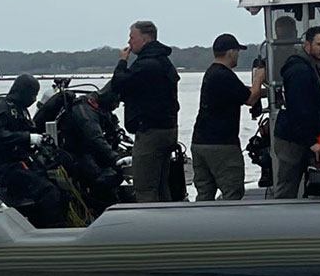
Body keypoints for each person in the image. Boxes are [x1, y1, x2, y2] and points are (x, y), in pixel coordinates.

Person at [0, 74, 67, 228]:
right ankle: (54, 232)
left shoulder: (20, 110)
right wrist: (28, 138)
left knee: (60, 187)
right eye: (32, 94)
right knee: (48, 192)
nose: (34, 99)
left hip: (21, 162)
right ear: (22, 91)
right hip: (3, 166)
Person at [110, 20, 179, 202]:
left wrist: (122, 62)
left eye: (132, 37)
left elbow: (118, 84)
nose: (129, 41)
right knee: (162, 184)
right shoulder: (164, 61)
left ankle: (149, 224)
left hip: (150, 132)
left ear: (145, 39)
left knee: (145, 186)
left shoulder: (145, 65)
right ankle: (166, 223)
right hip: (168, 129)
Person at [191, 33, 266, 201]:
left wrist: (258, 90)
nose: (238, 55)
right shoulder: (225, 75)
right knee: (232, 190)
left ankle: (202, 223)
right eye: (237, 51)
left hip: (200, 141)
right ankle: (228, 224)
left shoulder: (212, 73)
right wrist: (259, 79)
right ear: (231, 52)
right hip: (221, 144)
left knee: (205, 192)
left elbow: (240, 92)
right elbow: (250, 98)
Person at [271, 25, 320, 199]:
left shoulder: (310, 67)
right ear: (307, 45)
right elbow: (298, 109)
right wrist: (311, 142)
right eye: (319, 45)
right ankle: (280, 220)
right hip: (292, 139)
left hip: (302, 136)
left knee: (303, 182)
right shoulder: (299, 70)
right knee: (287, 185)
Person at [57, 86, 130, 213]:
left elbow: (112, 124)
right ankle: (97, 208)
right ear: (108, 98)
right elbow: (95, 137)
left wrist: (119, 133)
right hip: (76, 153)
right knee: (102, 177)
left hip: (91, 152)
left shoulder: (101, 108)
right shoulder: (85, 112)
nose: (117, 106)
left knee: (115, 171)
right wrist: (115, 157)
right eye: (116, 102)